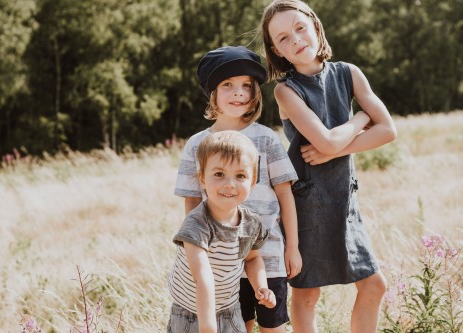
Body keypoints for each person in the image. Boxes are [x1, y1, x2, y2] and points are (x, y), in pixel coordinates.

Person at [260, 1, 397, 332]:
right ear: (278, 52)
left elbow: (388, 131)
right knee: (307, 294)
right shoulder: (286, 90)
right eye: (283, 38)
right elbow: (326, 142)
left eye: (299, 28)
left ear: (316, 27)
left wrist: (333, 150)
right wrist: (361, 118)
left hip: (344, 198)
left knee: (373, 284)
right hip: (306, 201)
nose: (295, 39)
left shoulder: (349, 73)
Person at [174, 45, 302, 332]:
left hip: (268, 255)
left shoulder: (266, 139)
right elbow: (192, 203)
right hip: (222, 261)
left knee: (273, 324)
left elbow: (285, 194)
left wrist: (292, 246)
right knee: (236, 326)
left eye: (246, 85)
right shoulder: (197, 144)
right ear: (212, 94)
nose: (238, 92)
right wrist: (198, 252)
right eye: (228, 85)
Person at [168, 130, 277, 333]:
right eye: (219, 174)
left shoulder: (250, 222)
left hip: (229, 307)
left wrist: (261, 286)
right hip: (190, 314)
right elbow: (203, 278)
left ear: (252, 183)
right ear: (202, 179)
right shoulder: (197, 224)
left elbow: (252, 259)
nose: (230, 184)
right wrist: (208, 328)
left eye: (240, 176)